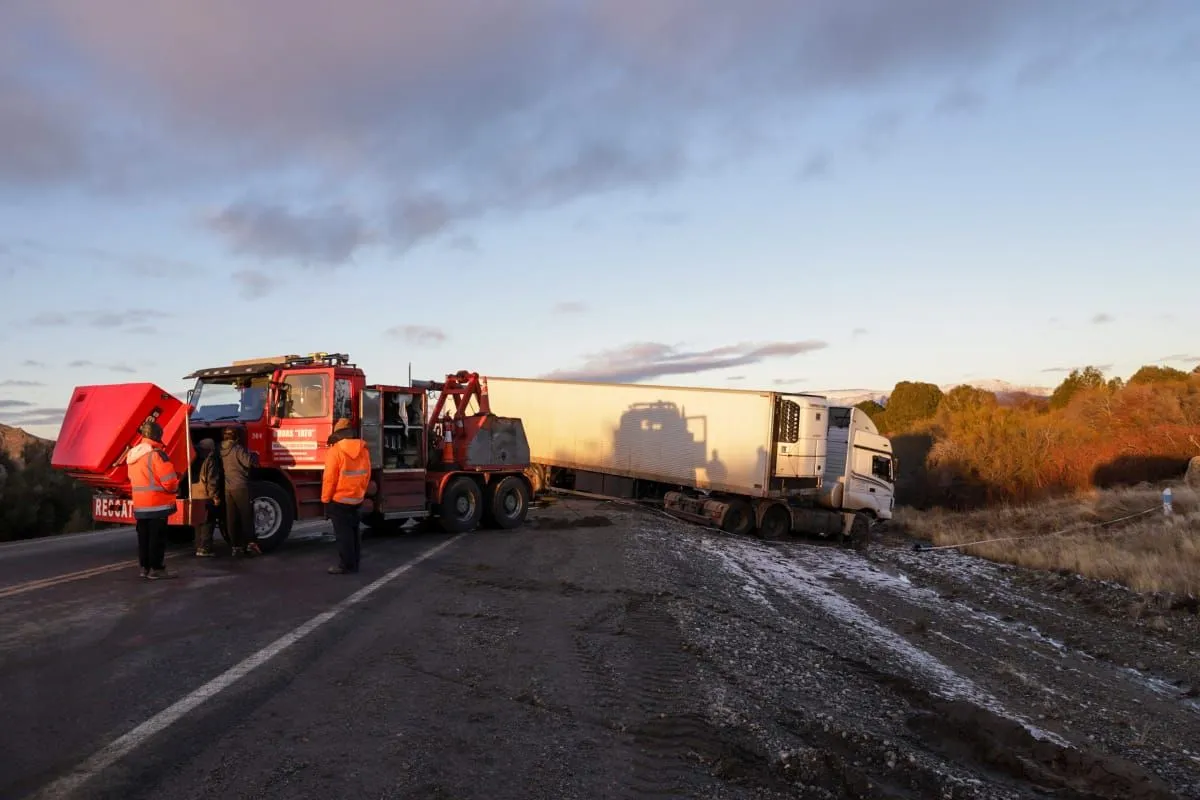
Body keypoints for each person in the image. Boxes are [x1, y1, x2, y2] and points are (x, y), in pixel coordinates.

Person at [127, 420, 180, 579]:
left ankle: (144, 568)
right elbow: (169, 481)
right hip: (157, 504)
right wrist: (175, 488)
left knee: (143, 538)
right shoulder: (157, 455)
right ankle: (157, 569)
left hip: (140, 505)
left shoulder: (133, 455)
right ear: (157, 436)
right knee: (156, 539)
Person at [321, 418, 371, 574]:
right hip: (357, 498)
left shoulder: (335, 451)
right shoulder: (363, 449)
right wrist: (360, 491)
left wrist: (325, 499)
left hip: (339, 499)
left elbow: (330, 478)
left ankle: (345, 565)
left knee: (343, 534)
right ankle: (354, 563)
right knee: (354, 532)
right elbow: (367, 474)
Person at [220, 427, 261, 557]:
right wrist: (254, 455)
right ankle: (250, 544)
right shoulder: (238, 449)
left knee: (232, 518)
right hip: (241, 486)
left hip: (228, 488)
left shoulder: (220, 450)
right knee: (246, 516)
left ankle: (235, 547)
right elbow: (249, 462)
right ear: (236, 437)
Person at [190, 438, 223, 557]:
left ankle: (198, 546)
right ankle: (205, 548)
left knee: (198, 522)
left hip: (194, 493)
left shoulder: (193, 459)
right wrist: (215, 496)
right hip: (205, 494)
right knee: (207, 522)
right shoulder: (210, 460)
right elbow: (212, 480)